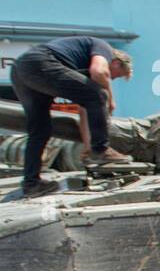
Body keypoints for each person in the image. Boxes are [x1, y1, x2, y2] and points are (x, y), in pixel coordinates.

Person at [10, 36, 133, 196]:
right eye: (115, 75)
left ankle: (31, 184)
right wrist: (109, 95)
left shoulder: (80, 68)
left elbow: (85, 110)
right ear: (115, 62)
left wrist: (89, 147)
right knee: (99, 95)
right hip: (41, 63)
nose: (111, 79)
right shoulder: (103, 47)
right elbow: (99, 71)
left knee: (39, 131)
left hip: (21, 70)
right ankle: (101, 150)